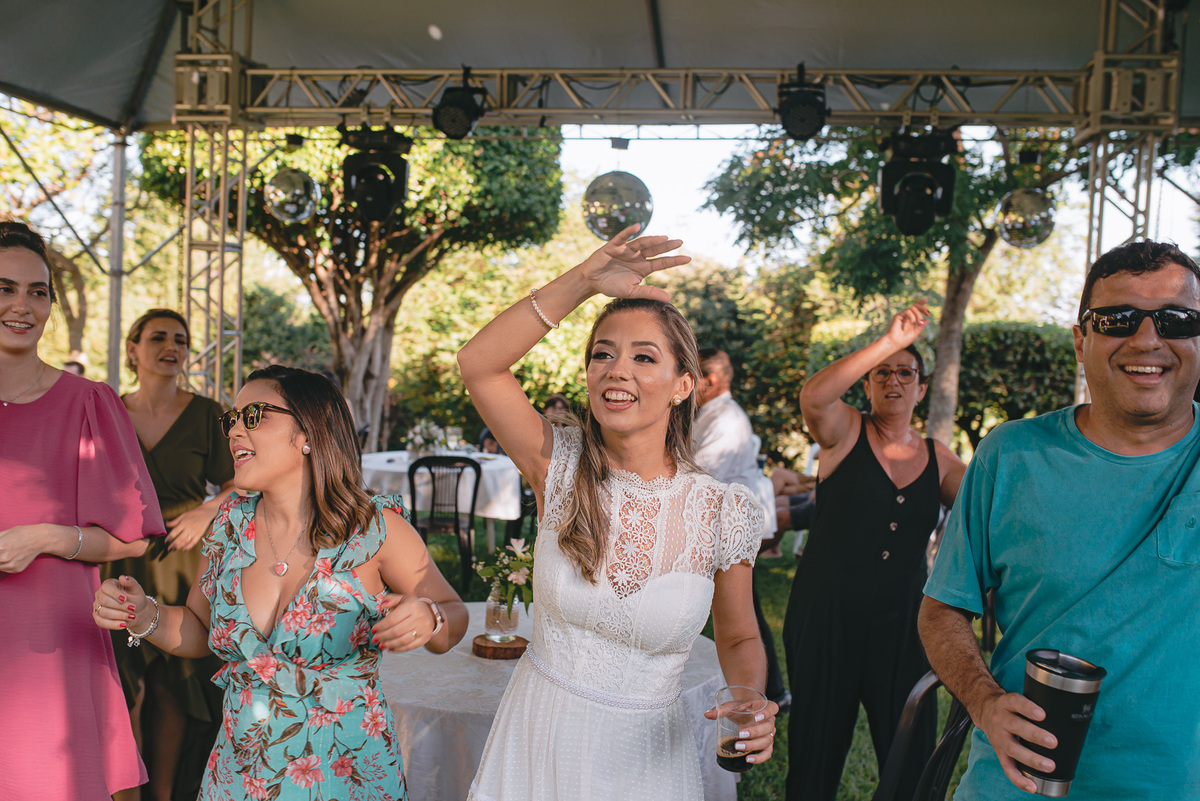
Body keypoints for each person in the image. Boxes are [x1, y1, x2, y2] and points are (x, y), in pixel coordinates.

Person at [458, 225, 778, 800]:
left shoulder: (722, 511)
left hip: (649, 765)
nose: (616, 369)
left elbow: (738, 637)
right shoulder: (557, 465)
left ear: (683, 385)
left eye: (643, 357)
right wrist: (583, 281)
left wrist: (750, 695)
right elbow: (479, 363)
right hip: (538, 745)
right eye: (602, 354)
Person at [94, 365, 469, 801]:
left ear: (309, 431)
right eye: (230, 419)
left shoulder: (374, 528)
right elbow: (198, 628)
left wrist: (431, 615)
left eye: (253, 415)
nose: (234, 430)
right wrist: (144, 616)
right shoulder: (230, 526)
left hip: (344, 776)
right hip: (239, 776)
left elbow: (453, 614)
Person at [920, 240, 1200, 800]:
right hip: (1017, 787)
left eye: (1176, 320)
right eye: (1117, 319)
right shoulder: (1011, 454)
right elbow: (942, 609)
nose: (1147, 339)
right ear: (1081, 340)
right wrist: (984, 701)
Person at [0, 220, 166, 800]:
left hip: (50, 652)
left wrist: (44, 536)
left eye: (37, 291)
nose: (23, 305)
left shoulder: (89, 404)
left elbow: (133, 538)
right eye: (5, 289)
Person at [783, 300, 965, 801]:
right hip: (826, 616)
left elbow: (984, 519)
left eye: (905, 373)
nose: (893, 382)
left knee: (911, 754)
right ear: (866, 384)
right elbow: (814, 397)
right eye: (882, 374)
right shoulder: (843, 432)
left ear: (922, 388)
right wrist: (889, 342)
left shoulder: (939, 458)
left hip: (904, 624)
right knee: (815, 752)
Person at [104, 308, 236, 801]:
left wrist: (206, 512)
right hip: (121, 558)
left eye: (180, 340)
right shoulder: (108, 409)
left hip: (186, 559)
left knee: (176, 687)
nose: (171, 347)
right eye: (158, 337)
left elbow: (240, 483)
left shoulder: (207, 413)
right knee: (119, 689)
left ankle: (164, 796)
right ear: (133, 348)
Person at [692, 347, 790, 711]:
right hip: (720, 521)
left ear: (711, 380)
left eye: (693, 377)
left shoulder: (727, 420)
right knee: (748, 611)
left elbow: (702, 473)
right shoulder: (711, 414)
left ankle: (768, 691)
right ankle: (774, 690)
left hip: (731, 526)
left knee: (744, 613)